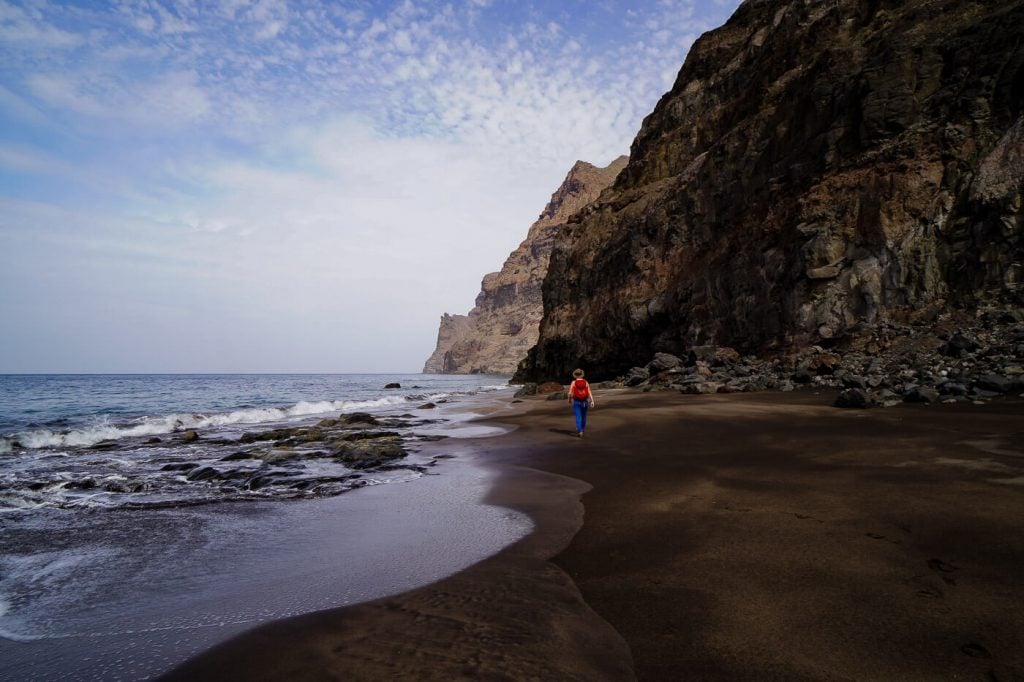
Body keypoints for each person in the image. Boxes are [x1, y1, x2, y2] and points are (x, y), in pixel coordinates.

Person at [568, 368, 595, 437]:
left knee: (578, 416)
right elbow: (589, 392)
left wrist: (569, 400)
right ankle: (582, 429)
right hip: (585, 402)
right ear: (581, 375)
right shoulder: (586, 382)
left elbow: (570, 393)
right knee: (584, 416)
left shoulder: (573, 382)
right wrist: (592, 401)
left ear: (575, 375)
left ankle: (580, 431)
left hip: (577, 401)